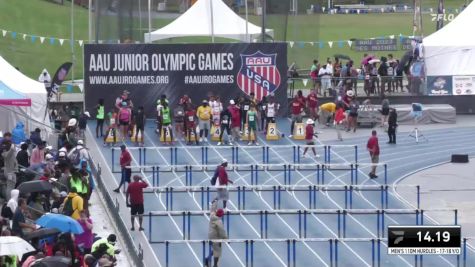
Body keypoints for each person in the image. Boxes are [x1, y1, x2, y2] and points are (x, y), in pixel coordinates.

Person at [204, 199, 227, 267]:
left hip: (210, 235)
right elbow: (222, 231)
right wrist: (226, 238)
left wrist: (215, 202)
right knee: (217, 251)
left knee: (215, 249)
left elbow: (212, 209)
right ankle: (214, 264)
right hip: (216, 237)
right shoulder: (218, 221)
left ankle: (208, 259)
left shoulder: (212, 215)